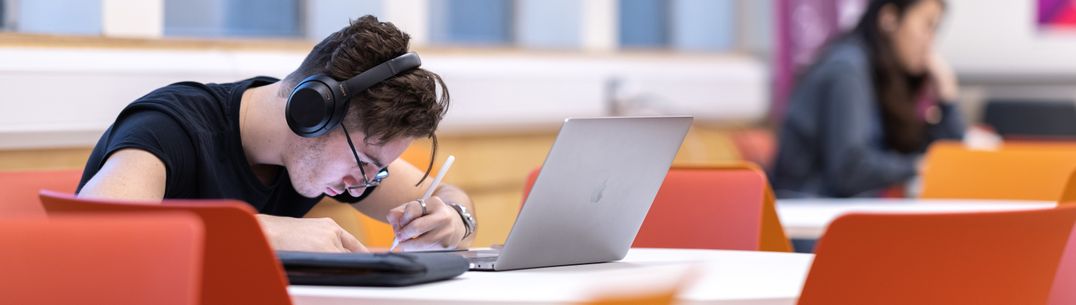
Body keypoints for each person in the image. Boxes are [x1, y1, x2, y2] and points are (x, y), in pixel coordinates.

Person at [76, 15, 476, 253]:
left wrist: (455, 220)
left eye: (377, 173)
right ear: (313, 112)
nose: (360, 188)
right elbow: (96, 231)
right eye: (363, 166)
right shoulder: (169, 128)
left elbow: (447, 195)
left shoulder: (330, 159)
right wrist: (265, 231)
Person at [771, 0, 964, 198]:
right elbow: (850, 169)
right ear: (889, 19)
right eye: (927, 25)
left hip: (835, 212)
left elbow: (947, 155)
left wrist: (947, 97)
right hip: (806, 216)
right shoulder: (847, 70)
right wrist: (920, 165)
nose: (930, 40)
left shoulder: (880, 74)